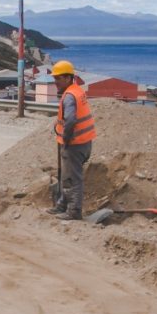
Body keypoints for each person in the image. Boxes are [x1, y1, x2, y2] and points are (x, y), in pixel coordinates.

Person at [47, 60, 96, 221]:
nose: (55, 82)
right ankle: (61, 205)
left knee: (73, 179)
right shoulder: (77, 91)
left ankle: (74, 211)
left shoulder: (69, 96)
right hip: (84, 142)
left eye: (58, 79)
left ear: (68, 78)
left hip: (74, 144)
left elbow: (70, 120)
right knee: (66, 176)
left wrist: (66, 138)